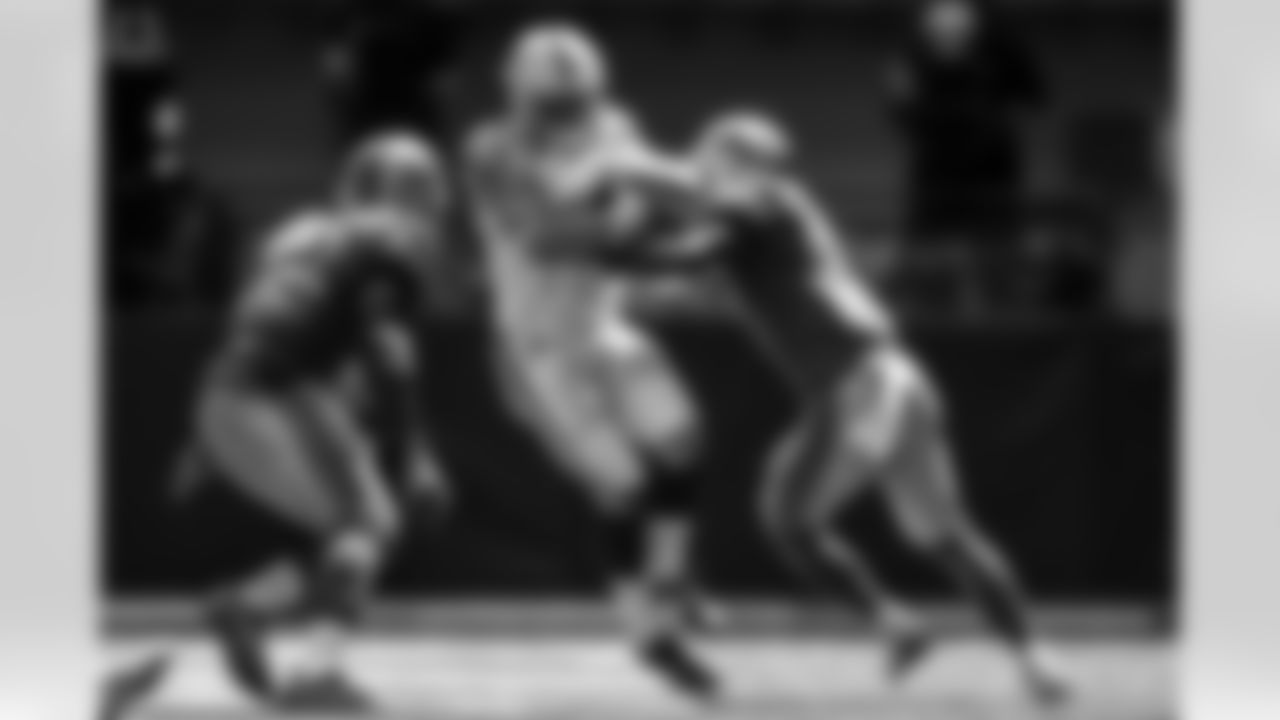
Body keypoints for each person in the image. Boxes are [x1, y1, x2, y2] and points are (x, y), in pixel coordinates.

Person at [568, 111, 1070, 704]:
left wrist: (607, 251)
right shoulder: (776, 202)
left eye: (711, 161)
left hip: (853, 383)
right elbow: (696, 212)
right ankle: (1033, 661)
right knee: (946, 536)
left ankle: (893, 622)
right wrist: (635, 185)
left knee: (788, 519)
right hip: (898, 374)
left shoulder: (753, 200)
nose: (701, 172)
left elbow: (696, 251)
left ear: (733, 161)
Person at [464, 22, 720, 699]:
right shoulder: (493, 148)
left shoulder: (613, 129)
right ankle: (647, 633)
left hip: (601, 326)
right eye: (552, 104)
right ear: (517, 95)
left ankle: (668, 576)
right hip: (536, 347)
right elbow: (547, 235)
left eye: (574, 102)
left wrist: (687, 191)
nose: (566, 116)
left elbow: (686, 190)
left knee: (684, 439)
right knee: (624, 485)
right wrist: (635, 208)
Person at [175, 132, 451, 710]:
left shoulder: (299, 234)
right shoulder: (395, 242)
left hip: (234, 391)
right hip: (274, 392)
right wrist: (415, 453)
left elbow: (261, 324)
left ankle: (247, 607)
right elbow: (389, 354)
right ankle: (310, 668)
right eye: (422, 190)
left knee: (362, 526)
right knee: (366, 525)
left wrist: (201, 441)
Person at [886, 0, 1044, 316]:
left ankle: (1005, 319)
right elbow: (901, 110)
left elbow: (1033, 95)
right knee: (930, 268)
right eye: (941, 37)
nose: (950, 43)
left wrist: (994, 120)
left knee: (999, 265)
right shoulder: (912, 53)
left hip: (990, 170)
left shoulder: (1001, 44)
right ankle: (928, 318)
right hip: (938, 173)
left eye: (958, 36)